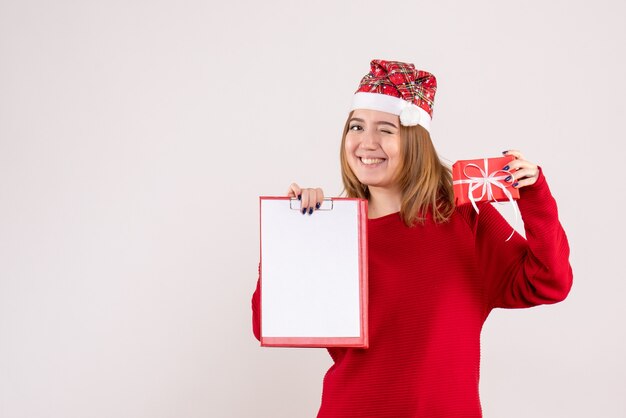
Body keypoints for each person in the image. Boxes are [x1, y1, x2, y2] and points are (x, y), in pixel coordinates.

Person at [251, 59, 573, 417]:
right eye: (356, 126)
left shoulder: (463, 215)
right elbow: (267, 321)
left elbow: (548, 282)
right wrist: (292, 233)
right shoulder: (330, 227)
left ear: (415, 140)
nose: (366, 142)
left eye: (385, 129)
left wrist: (535, 196)